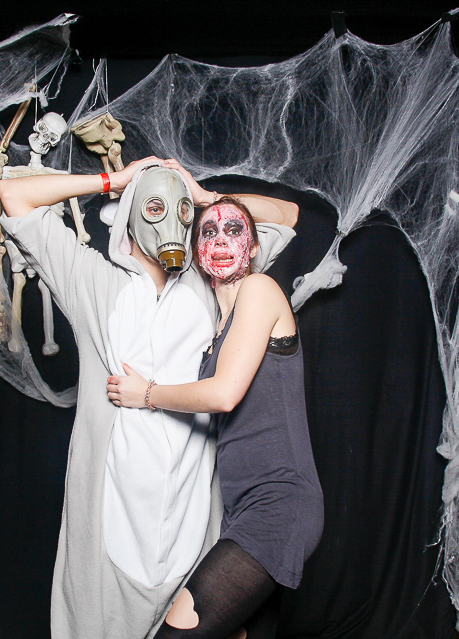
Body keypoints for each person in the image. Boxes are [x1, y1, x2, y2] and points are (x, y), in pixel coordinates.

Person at [0, 157, 298, 638]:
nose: (173, 223)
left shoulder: (213, 281)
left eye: (182, 213)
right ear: (131, 214)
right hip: (111, 517)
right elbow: (14, 195)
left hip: (192, 519)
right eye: (156, 207)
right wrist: (115, 180)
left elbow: (287, 215)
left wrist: (203, 198)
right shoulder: (92, 280)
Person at [107, 197, 324, 638]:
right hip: (243, 512)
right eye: (208, 232)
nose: (221, 241)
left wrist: (146, 393)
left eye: (234, 230)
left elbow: (224, 395)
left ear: (255, 247)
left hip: (278, 506)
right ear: (196, 251)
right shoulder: (217, 333)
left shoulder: (260, 289)